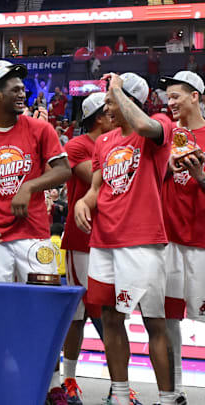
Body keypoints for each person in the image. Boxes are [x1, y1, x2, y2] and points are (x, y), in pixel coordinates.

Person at [74, 72, 177, 405]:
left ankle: (166, 398)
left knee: (153, 323)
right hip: (104, 242)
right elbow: (96, 187)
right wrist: (82, 202)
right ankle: (120, 395)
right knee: (110, 318)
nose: (107, 109)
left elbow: (145, 126)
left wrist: (118, 89)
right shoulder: (104, 141)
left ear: (129, 100)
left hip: (143, 241)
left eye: (111, 102)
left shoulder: (158, 126)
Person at [0, 60, 71, 401]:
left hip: (35, 237)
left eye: (22, 88)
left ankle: (51, 386)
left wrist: (29, 187)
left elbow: (63, 171)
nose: (22, 93)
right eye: (13, 89)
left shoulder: (39, 129)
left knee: (42, 312)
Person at [60, 92, 112, 404]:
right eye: (110, 111)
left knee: (110, 312)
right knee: (78, 314)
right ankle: (69, 380)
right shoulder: (77, 146)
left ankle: (117, 382)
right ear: (98, 117)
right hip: (81, 239)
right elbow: (102, 185)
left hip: (112, 238)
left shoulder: (118, 142)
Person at [159, 70, 205, 403]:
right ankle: (174, 391)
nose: (170, 103)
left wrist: (200, 175)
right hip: (169, 242)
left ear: (195, 97)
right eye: (168, 97)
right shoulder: (165, 137)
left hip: (202, 244)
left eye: (175, 96)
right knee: (168, 319)